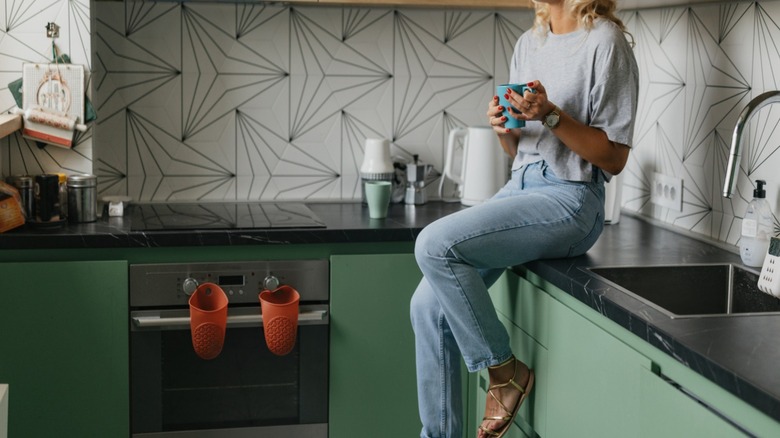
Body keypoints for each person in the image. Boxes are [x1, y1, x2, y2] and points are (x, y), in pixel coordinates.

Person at [410, 1, 639, 437]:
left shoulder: (606, 43)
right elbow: (520, 152)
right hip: (522, 187)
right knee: (425, 307)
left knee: (433, 244)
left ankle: (504, 371)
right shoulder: (529, 42)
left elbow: (613, 158)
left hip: (572, 199)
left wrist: (551, 114)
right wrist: (506, 130)